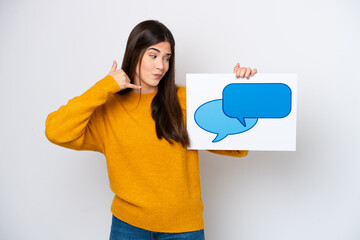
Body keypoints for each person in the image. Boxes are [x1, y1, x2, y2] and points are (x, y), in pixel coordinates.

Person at [45, 20, 257, 240]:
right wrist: (104, 86)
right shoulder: (108, 111)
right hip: (128, 225)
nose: (161, 66)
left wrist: (242, 93)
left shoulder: (185, 100)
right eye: (153, 56)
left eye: (167, 58)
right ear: (134, 54)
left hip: (184, 228)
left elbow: (238, 147)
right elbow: (56, 131)